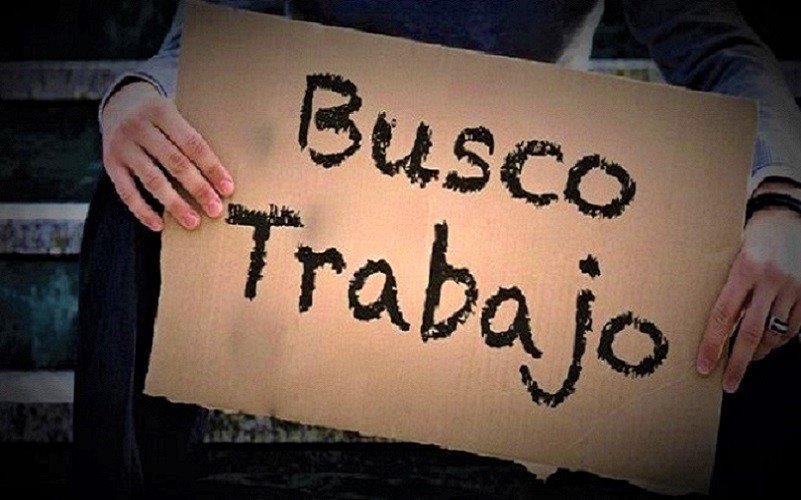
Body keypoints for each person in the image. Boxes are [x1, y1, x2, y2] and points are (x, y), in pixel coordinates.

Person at [73, 0, 801, 496]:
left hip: (534, 206)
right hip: (328, 188)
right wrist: (139, 93)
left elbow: (720, 47)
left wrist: (781, 195)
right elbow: (217, 33)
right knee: (141, 185)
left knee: (775, 267)